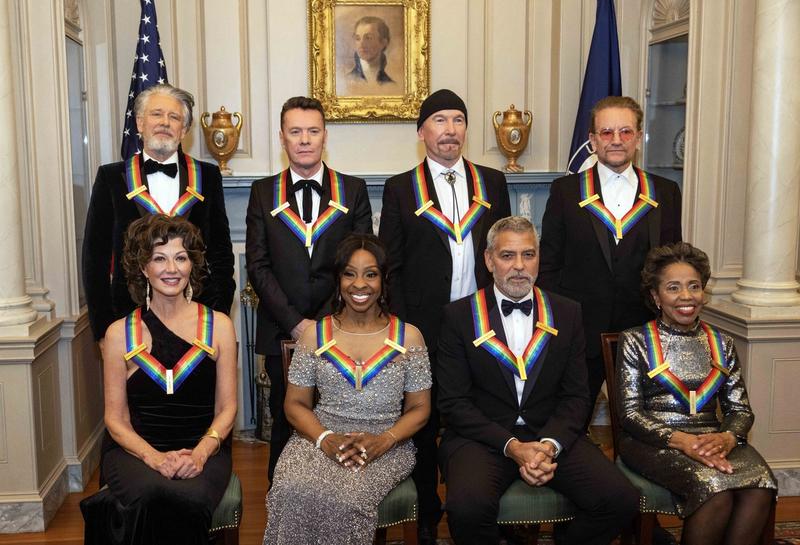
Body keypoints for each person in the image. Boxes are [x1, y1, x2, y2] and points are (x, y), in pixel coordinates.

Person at [437, 216, 639, 545]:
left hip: (551, 433)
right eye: (507, 256)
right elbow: (454, 403)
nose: (519, 266)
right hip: (483, 438)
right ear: (489, 260)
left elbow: (576, 397)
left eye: (528, 255)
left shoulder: (568, 312)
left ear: (539, 258)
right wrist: (513, 447)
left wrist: (547, 446)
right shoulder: (458, 316)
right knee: (466, 508)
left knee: (619, 499)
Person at [378, 88, 511, 542]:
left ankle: (475, 506)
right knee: (423, 423)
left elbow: (506, 255)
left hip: (482, 326)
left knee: (482, 415)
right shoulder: (400, 188)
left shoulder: (492, 182)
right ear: (422, 132)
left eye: (458, 120)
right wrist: (403, 329)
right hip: (423, 329)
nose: (450, 129)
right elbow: (389, 266)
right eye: (440, 121)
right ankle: (427, 517)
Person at [264, 233, 431, 544]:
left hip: (386, 444)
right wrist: (326, 439)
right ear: (338, 279)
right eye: (349, 274)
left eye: (370, 274)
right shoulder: (315, 334)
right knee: (288, 488)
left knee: (346, 498)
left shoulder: (409, 337)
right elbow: (295, 404)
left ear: (383, 280)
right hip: (317, 437)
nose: (360, 285)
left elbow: (420, 409)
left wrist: (385, 440)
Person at [80, 214, 237, 545]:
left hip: (204, 448)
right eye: (159, 258)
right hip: (134, 451)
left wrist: (199, 454)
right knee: (152, 494)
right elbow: (115, 418)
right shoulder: (117, 334)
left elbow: (227, 409)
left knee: (188, 499)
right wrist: (154, 457)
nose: (172, 268)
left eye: (181, 257)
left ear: (192, 265)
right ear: (143, 268)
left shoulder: (219, 325)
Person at [246, 96, 372, 483]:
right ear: (282, 138)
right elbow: (258, 266)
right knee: (288, 422)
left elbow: (361, 265)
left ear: (324, 137)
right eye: (295, 131)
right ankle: (283, 506)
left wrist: (327, 322)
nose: (304, 140)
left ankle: (342, 500)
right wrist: (296, 323)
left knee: (342, 415)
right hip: (282, 331)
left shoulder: (352, 190)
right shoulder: (263, 192)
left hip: (342, 329)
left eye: (312, 131)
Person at [538, 95, 682, 432]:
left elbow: (671, 266)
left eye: (625, 131)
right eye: (606, 132)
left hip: (643, 332)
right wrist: (558, 324)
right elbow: (549, 265)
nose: (616, 140)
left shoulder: (664, 192)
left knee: (642, 426)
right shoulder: (565, 191)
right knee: (568, 425)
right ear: (592, 140)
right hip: (579, 332)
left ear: (638, 137)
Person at [617, 242, 777, 545]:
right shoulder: (635, 340)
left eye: (694, 286)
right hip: (652, 441)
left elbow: (740, 410)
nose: (686, 296)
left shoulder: (722, 342)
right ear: (656, 296)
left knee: (761, 486)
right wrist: (684, 442)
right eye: (673, 288)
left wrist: (726, 438)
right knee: (713, 488)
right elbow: (630, 414)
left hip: (713, 438)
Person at [83, 83, 235, 348]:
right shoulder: (111, 178)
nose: (165, 122)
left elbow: (221, 252)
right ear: (140, 123)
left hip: (198, 319)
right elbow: (94, 259)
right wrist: (104, 331)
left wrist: (218, 311)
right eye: (156, 114)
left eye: (174, 117)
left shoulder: (208, 177)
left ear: (184, 129)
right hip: (128, 320)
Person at [348, 16, 394, 85]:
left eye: (368, 38)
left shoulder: (391, 85)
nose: (361, 44)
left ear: (383, 43)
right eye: (357, 38)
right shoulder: (347, 81)